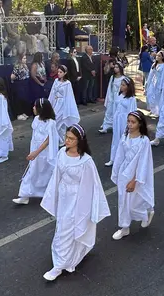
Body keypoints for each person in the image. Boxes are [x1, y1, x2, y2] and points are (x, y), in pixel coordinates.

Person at [40, 124, 109, 281]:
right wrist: (53, 197)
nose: (67, 140)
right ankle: (66, 261)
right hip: (64, 199)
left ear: (79, 140)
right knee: (62, 228)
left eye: (71, 138)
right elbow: (56, 177)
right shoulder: (61, 154)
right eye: (66, 137)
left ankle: (59, 265)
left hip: (78, 201)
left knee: (69, 229)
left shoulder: (86, 161)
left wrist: (89, 208)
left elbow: (93, 186)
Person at [111, 112, 155, 241]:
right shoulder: (125, 136)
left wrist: (135, 180)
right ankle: (125, 228)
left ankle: (146, 213)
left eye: (133, 122)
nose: (130, 124)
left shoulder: (144, 141)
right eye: (128, 121)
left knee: (134, 203)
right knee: (123, 202)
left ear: (140, 123)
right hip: (124, 173)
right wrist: (116, 172)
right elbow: (119, 156)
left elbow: (143, 162)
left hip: (136, 175)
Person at [13, 99, 60, 204]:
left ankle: (50, 193)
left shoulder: (51, 123)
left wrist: (36, 152)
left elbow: (48, 140)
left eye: (35, 106)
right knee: (31, 172)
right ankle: (24, 195)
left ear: (41, 109)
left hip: (44, 154)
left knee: (46, 173)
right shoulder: (36, 119)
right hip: (35, 151)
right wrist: (33, 151)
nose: (33, 108)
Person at [105, 76, 138, 167]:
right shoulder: (119, 95)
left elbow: (132, 112)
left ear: (128, 86)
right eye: (121, 85)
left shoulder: (132, 99)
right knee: (116, 139)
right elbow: (115, 108)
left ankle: (125, 159)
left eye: (123, 85)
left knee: (125, 139)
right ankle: (113, 158)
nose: (121, 87)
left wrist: (130, 124)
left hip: (125, 121)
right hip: (117, 120)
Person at [48, 65, 80, 144]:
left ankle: (61, 140)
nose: (58, 73)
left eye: (60, 72)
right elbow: (52, 93)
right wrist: (49, 104)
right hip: (56, 103)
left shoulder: (67, 83)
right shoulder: (56, 81)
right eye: (58, 72)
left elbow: (69, 96)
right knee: (55, 121)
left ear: (65, 73)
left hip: (63, 105)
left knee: (60, 122)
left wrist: (67, 108)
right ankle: (59, 140)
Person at [99, 62, 126, 133]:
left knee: (117, 112)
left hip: (119, 98)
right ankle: (105, 127)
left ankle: (117, 126)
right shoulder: (112, 77)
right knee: (108, 112)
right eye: (115, 67)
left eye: (117, 67)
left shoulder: (124, 78)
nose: (115, 69)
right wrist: (109, 97)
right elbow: (110, 88)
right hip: (112, 97)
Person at [146, 52, 164, 118]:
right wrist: (147, 83)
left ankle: (157, 111)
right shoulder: (154, 64)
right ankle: (152, 109)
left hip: (159, 83)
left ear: (162, 57)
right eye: (157, 55)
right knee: (149, 95)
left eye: (159, 56)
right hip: (153, 82)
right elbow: (151, 74)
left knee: (158, 97)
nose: (157, 57)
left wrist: (162, 86)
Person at [10, 53, 32, 119]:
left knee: (25, 98)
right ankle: (19, 114)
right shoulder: (17, 66)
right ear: (20, 59)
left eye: (25, 58)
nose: (25, 59)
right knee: (20, 98)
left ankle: (24, 112)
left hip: (26, 83)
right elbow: (12, 76)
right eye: (24, 58)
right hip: (20, 83)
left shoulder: (25, 65)